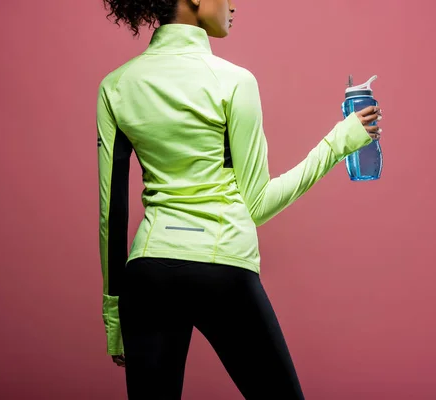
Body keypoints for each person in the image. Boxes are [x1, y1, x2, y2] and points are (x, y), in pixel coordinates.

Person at [96, 0, 382, 398]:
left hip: (149, 273)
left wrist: (115, 317)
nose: (234, 4)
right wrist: (339, 141)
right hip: (222, 266)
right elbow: (258, 205)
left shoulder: (115, 85)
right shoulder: (234, 82)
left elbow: (111, 211)